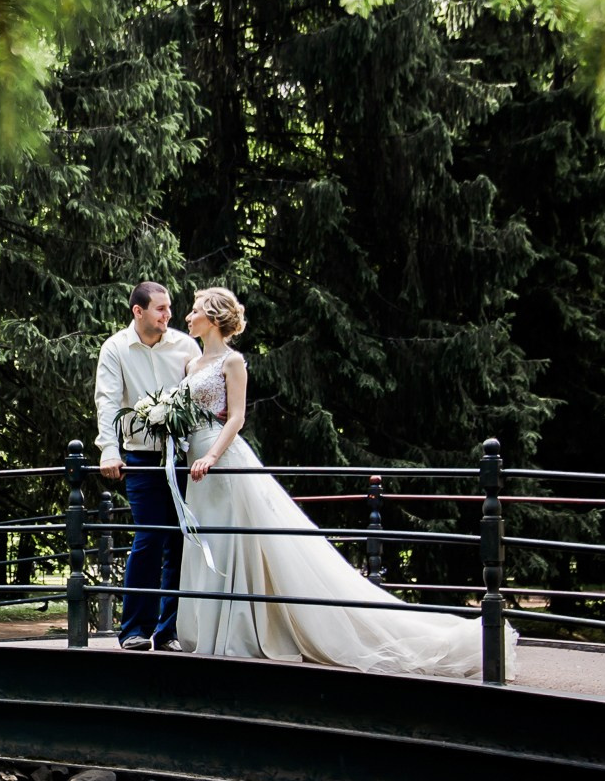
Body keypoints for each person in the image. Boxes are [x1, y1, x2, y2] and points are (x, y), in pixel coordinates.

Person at [173, 287, 496, 676]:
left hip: (220, 459)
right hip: (194, 462)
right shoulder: (192, 366)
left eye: (194, 312)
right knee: (206, 538)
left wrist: (211, 456)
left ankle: (235, 633)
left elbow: (237, 417)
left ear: (212, 318)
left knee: (231, 539)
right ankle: (206, 631)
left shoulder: (233, 361)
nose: (188, 318)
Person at [95, 280, 202, 650]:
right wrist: (110, 450)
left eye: (169, 307)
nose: (168, 314)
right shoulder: (115, 348)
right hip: (140, 456)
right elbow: (107, 401)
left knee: (179, 540)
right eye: (160, 308)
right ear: (137, 311)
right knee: (150, 536)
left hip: (185, 457)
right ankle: (134, 630)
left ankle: (168, 630)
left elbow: (200, 398)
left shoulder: (186, 346)